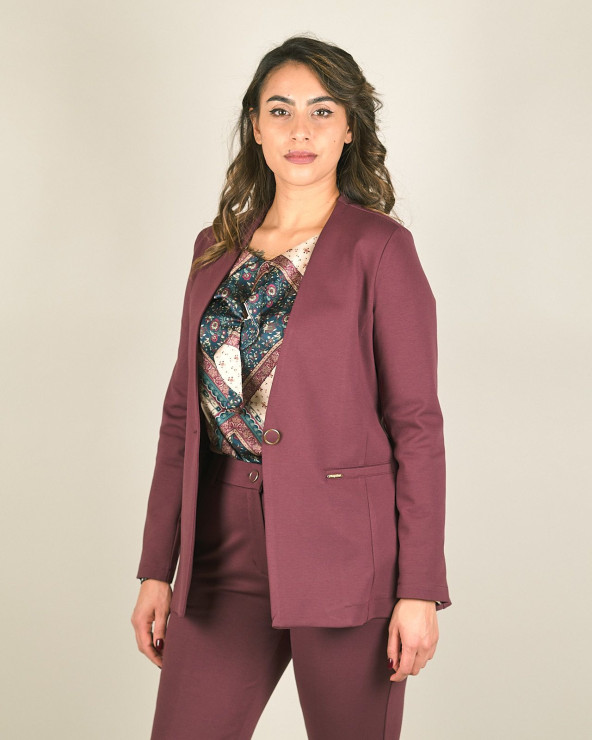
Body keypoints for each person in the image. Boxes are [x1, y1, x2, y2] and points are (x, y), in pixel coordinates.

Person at [131, 34, 451, 740]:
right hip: (220, 545)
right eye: (280, 111)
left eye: (321, 110)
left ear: (349, 128)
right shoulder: (215, 246)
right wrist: (157, 568)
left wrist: (420, 588)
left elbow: (416, 425)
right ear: (255, 126)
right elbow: (182, 414)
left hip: (344, 548)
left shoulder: (380, 248)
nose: (300, 130)